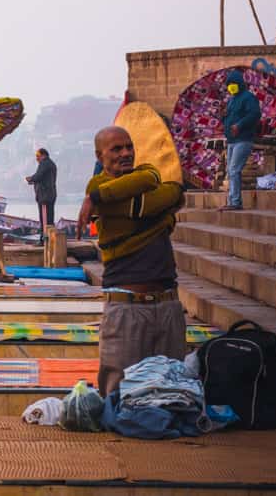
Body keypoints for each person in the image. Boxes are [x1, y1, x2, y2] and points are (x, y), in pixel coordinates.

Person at [77, 126, 186, 395]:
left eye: (129, 147)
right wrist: (163, 216)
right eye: (116, 149)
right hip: (127, 308)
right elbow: (154, 203)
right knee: (117, 394)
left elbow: (174, 191)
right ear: (99, 156)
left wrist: (95, 200)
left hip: (168, 304)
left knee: (172, 390)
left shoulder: (138, 176)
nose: (125, 153)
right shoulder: (98, 186)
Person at [221, 69, 261, 211]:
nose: (231, 86)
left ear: (240, 84)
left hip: (243, 140)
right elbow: (229, 118)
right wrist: (223, 116)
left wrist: (240, 125)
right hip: (232, 141)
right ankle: (232, 200)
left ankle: (235, 202)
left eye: (233, 84)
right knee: (230, 171)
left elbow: (255, 114)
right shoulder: (231, 100)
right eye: (229, 84)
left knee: (234, 170)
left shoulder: (248, 98)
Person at [26, 148, 57, 245]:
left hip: (44, 197)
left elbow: (38, 176)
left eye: (38, 156)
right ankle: (50, 240)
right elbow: (42, 178)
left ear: (43, 155)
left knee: (44, 220)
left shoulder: (44, 164)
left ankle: (44, 241)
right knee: (49, 219)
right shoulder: (51, 164)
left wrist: (30, 178)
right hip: (50, 195)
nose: (37, 159)